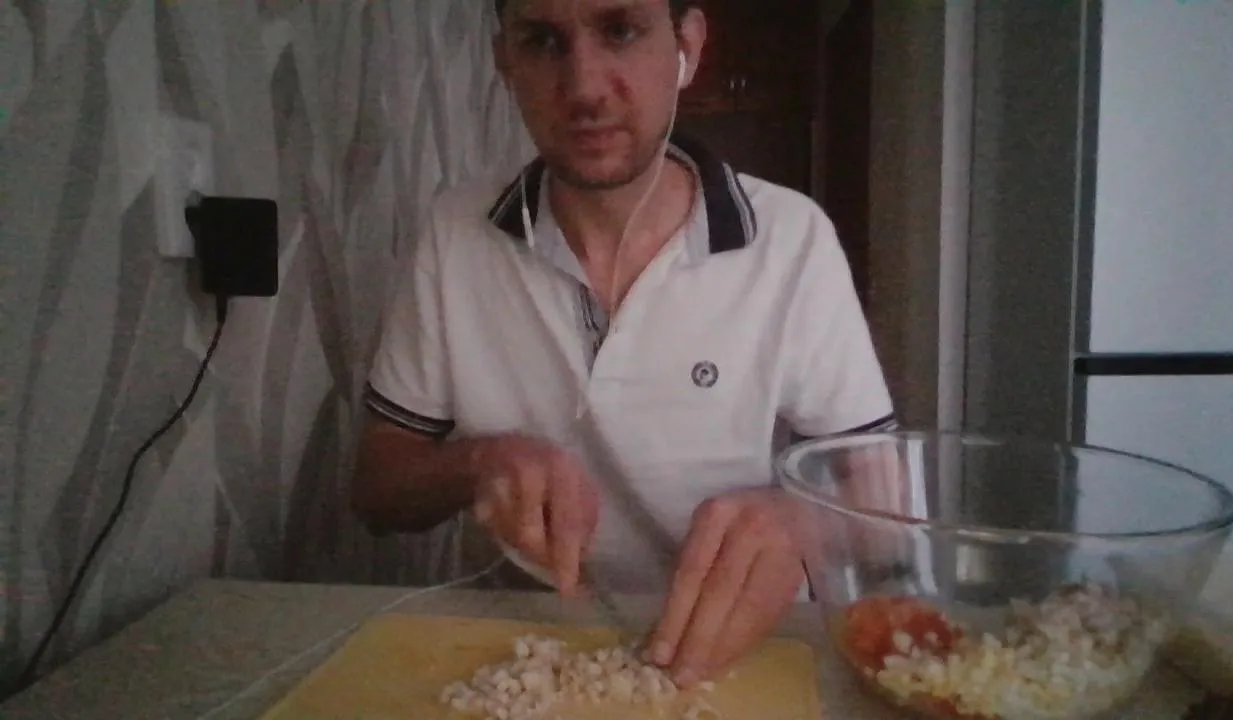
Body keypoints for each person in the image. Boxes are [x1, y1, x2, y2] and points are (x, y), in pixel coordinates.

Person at [352, 0, 896, 688]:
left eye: (620, 30)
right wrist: (478, 463)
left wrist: (805, 523)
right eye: (542, 41)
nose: (583, 87)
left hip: (747, 645)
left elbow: (884, 502)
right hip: (533, 649)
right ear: (505, 61)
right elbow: (378, 490)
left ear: (687, 45)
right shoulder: (455, 232)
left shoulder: (792, 238)